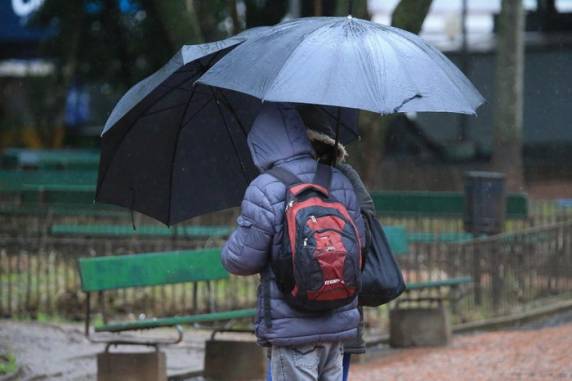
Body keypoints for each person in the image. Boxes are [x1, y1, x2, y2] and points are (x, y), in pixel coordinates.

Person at [221, 102, 366, 381]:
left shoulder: (265, 188)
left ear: (259, 144)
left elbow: (241, 260)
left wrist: (230, 246)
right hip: (336, 318)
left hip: (293, 326)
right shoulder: (337, 180)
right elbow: (359, 248)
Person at [298, 105, 376, 380]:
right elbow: (363, 237)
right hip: (342, 301)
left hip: (295, 310)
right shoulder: (348, 179)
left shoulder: (282, 181)